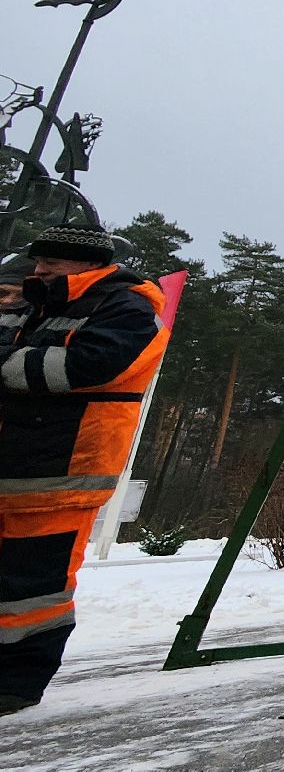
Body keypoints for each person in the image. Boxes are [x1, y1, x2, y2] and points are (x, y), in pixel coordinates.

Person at [0, 224, 170, 715]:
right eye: (37, 262)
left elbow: (89, 367)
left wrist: (8, 364)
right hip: (14, 464)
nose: (39, 270)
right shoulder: (35, 303)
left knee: (34, 590)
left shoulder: (128, 308)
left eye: (51, 262)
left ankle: (14, 684)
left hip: (62, 472)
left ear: (86, 264)